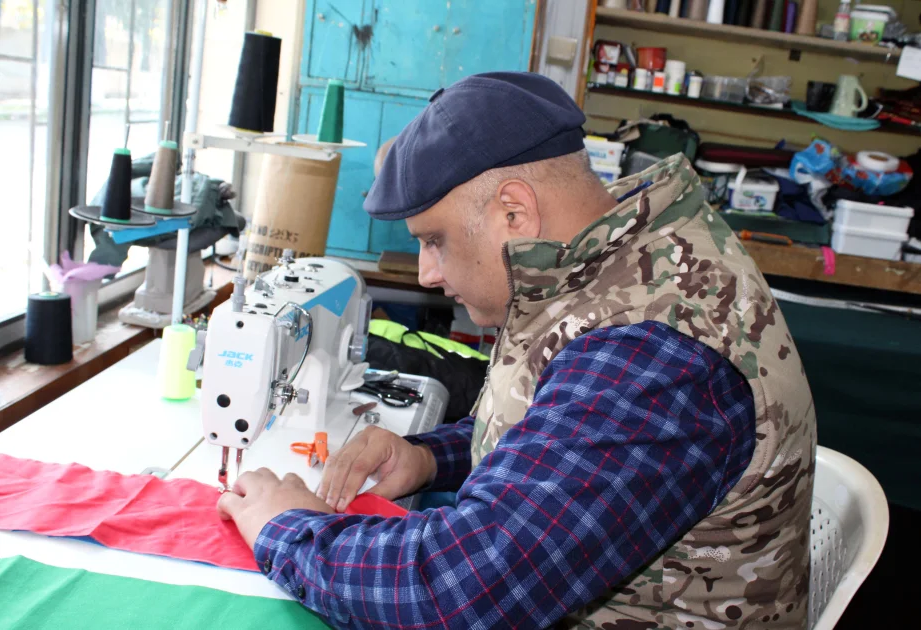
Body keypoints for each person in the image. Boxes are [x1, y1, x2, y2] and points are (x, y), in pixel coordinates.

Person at [217, 72, 816, 629]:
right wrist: (428, 458)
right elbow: (559, 432)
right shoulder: (613, 260)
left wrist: (282, 525)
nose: (426, 273)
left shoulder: (652, 354)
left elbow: (454, 595)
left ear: (514, 211)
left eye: (434, 241)